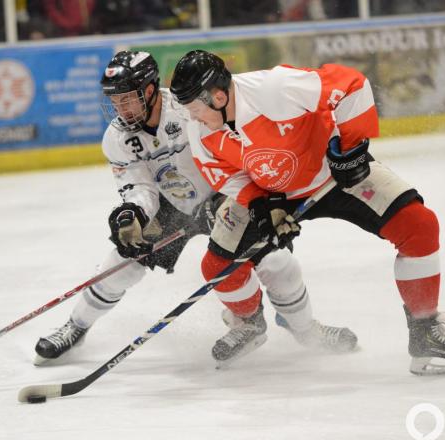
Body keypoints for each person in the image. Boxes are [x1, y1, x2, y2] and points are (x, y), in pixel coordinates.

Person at [33, 51, 357, 366]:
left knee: (276, 261)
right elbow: (139, 187)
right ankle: (76, 326)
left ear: (149, 90)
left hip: (224, 197)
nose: (120, 108)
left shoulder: (188, 107)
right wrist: (132, 214)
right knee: (122, 261)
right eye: (114, 100)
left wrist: (235, 198)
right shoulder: (116, 138)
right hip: (173, 210)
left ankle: (302, 329)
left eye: (127, 98)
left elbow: (230, 152)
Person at [169, 50, 445, 375]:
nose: (193, 117)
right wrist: (263, 206)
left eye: (195, 108)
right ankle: (248, 324)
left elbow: (351, 85)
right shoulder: (201, 131)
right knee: (217, 265)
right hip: (271, 192)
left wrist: (349, 150)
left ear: (218, 96)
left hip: (330, 174)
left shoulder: (275, 89)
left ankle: (425, 332)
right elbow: (227, 176)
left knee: (418, 226)